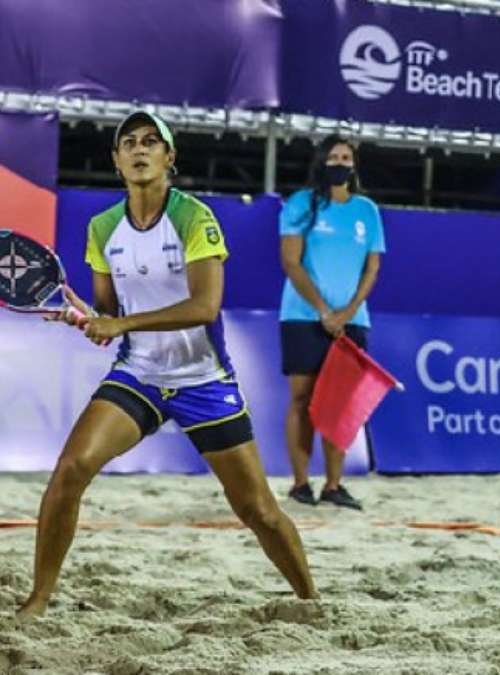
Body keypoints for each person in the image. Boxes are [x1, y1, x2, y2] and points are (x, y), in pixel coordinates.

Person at [17, 111, 317, 618]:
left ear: (168, 157)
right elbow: (111, 314)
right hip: (139, 377)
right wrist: (90, 320)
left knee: (257, 511)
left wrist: (120, 326)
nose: (139, 149)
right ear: (116, 160)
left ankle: (310, 599)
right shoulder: (102, 228)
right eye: (128, 142)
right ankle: (38, 599)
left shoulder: (193, 216)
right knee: (72, 468)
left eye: (151, 142)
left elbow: (204, 308)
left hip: (204, 380)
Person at [279, 136, 385, 511]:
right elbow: (291, 262)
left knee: (339, 404)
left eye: (347, 157)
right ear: (321, 161)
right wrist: (324, 310)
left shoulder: (367, 210)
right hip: (303, 316)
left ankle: (334, 485)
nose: (340, 162)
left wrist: (348, 310)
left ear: (354, 165)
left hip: (352, 320)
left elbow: (372, 267)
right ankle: (300, 483)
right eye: (334, 156)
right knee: (302, 399)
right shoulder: (300, 205)